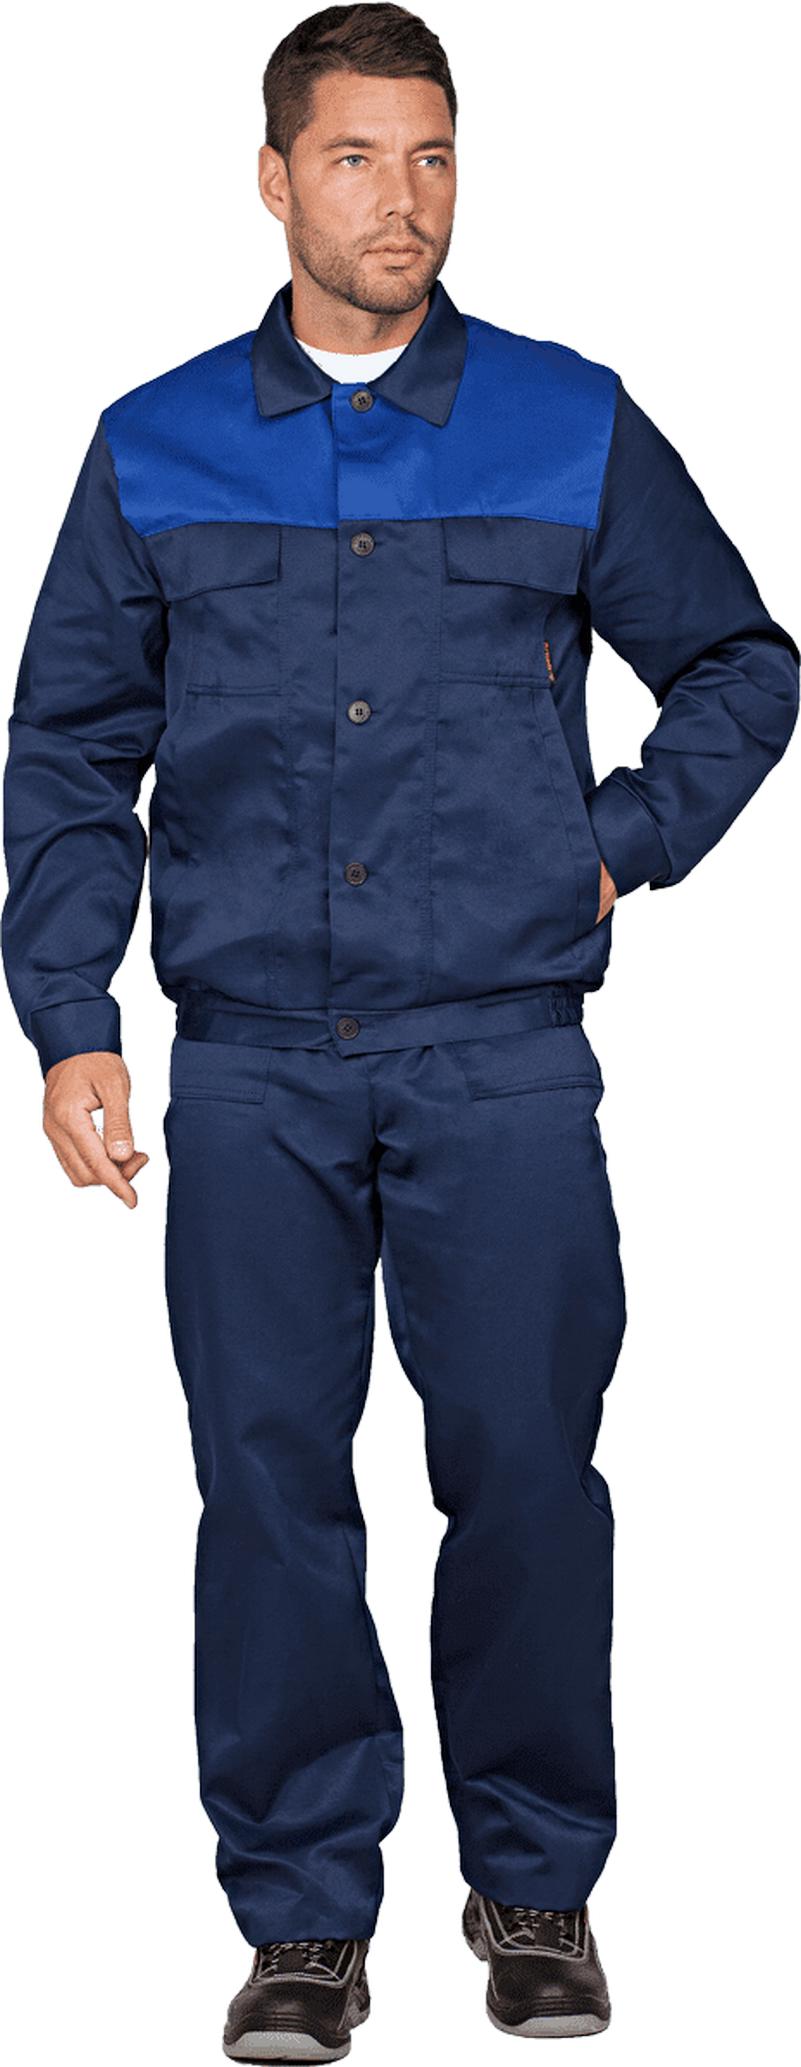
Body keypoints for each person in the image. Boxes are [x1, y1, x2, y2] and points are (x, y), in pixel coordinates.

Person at [3, 4, 798, 2057]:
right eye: (356, 157)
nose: (403, 199)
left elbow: (736, 662)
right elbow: (71, 746)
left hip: (499, 1057)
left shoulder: (565, 420)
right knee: (269, 1487)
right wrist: (69, 1015)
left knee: (524, 1470)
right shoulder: (156, 443)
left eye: (433, 154)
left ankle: (533, 1889)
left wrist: (614, 842)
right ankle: (301, 1922)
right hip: (253, 1061)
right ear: (273, 178)